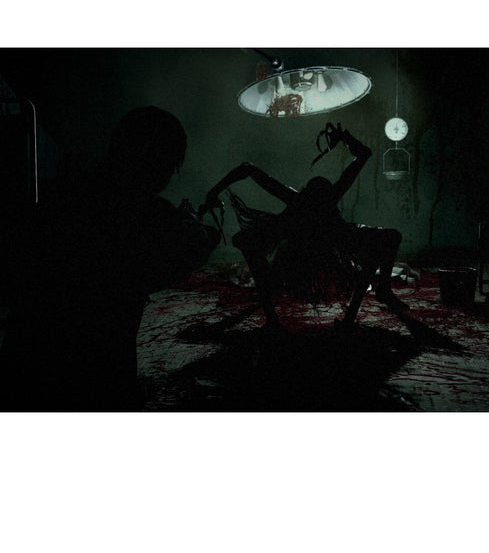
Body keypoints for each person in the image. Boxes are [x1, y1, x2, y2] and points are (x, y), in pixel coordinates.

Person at [0, 106, 221, 411]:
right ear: (158, 161)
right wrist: (198, 231)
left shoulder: (52, 194)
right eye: (171, 166)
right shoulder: (151, 215)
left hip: (25, 369)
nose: (170, 176)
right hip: (99, 375)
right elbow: (186, 256)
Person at [199, 123, 408, 331]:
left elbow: (248, 168)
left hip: (321, 251)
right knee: (388, 239)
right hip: (300, 257)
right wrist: (345, 138)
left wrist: (213, 193)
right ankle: (361, 307)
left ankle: (376, 296)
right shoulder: (320, 199)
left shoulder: (302, 199)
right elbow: (364, 154)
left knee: (388, 239)